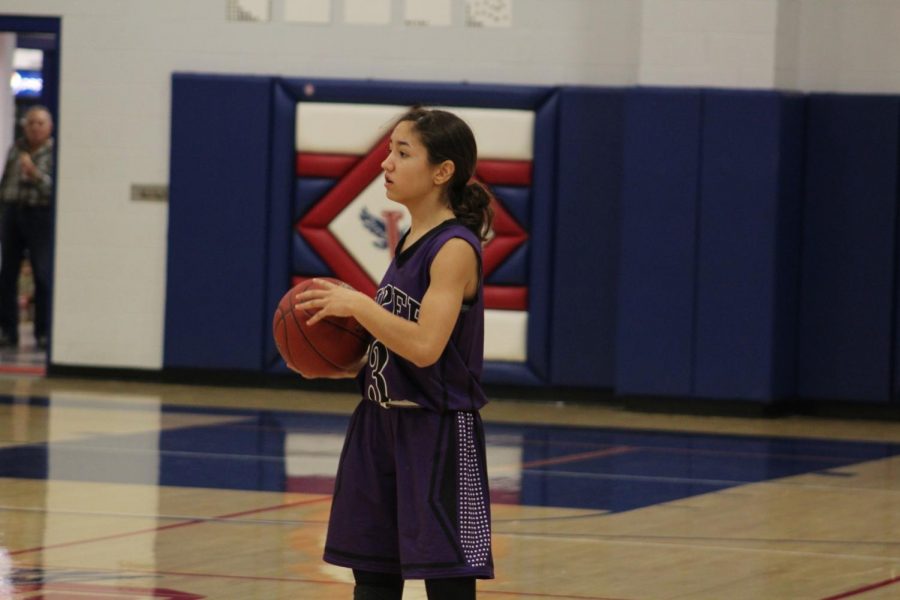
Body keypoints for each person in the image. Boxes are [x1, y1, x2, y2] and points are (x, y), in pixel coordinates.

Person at [297, 107, 495, 600]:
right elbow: (402, 341)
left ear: (442, 172)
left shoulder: (454, 248)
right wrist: (354, 365)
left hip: (440, 430)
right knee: (373, 575)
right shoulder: (410, 237)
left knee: (448, 582)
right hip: (379, 423)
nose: (387, 163)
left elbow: (427, 347)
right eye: (389, 151)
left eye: (403, 153)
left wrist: (359, 306)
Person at [0, 105, 55, 350]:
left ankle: (43, 332)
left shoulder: (53, 152)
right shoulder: (16, 148)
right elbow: (6, 181)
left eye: (40, 123)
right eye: (30, 122)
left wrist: (33, 173)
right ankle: (7, 331)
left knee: (42, 275)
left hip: (39, 215)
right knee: (7, 276)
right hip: (12, 212)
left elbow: (52, 188)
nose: (34, 127)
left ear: (49, 127)